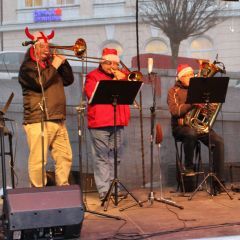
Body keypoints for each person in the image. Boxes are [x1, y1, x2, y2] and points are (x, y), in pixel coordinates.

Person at [18, 27, 74, 187]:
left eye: (47, 46)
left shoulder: (51, 66)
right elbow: (39, 83)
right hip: (38, 119)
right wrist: (54, 66)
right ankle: (38, 192)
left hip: (58, 119)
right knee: (38, 160)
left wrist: (63, 63)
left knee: (65, 156)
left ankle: (63, 188)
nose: (46, 49)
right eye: (42, 46)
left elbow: (68, 80)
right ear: (33, 47)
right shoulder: (27, 67)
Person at [167, 63, 225, 194]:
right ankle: (189, 168)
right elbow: (175, 111)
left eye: (191, 74)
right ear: (180, 77)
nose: (190, 77)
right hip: (181, 127)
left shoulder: (200, 89)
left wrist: (207, 110)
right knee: (191, 133)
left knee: (218, 141)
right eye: (187, 75)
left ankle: (219, 182)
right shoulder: (173, 91)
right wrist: (191, 103)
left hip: (198, 126)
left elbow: (206, 111)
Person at [84, 48, 130, 201]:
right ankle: (105, 191)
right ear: (102, 62)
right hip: (100, 122)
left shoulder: (123, 77)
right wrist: (115, 82)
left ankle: (114, 188)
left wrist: (123, 80)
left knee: (115, 157)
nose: (112, 66)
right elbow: (91, 94)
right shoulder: (93, 76)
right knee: (102, 157)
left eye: (115, 64)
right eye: (109, 63)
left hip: (118, 121)